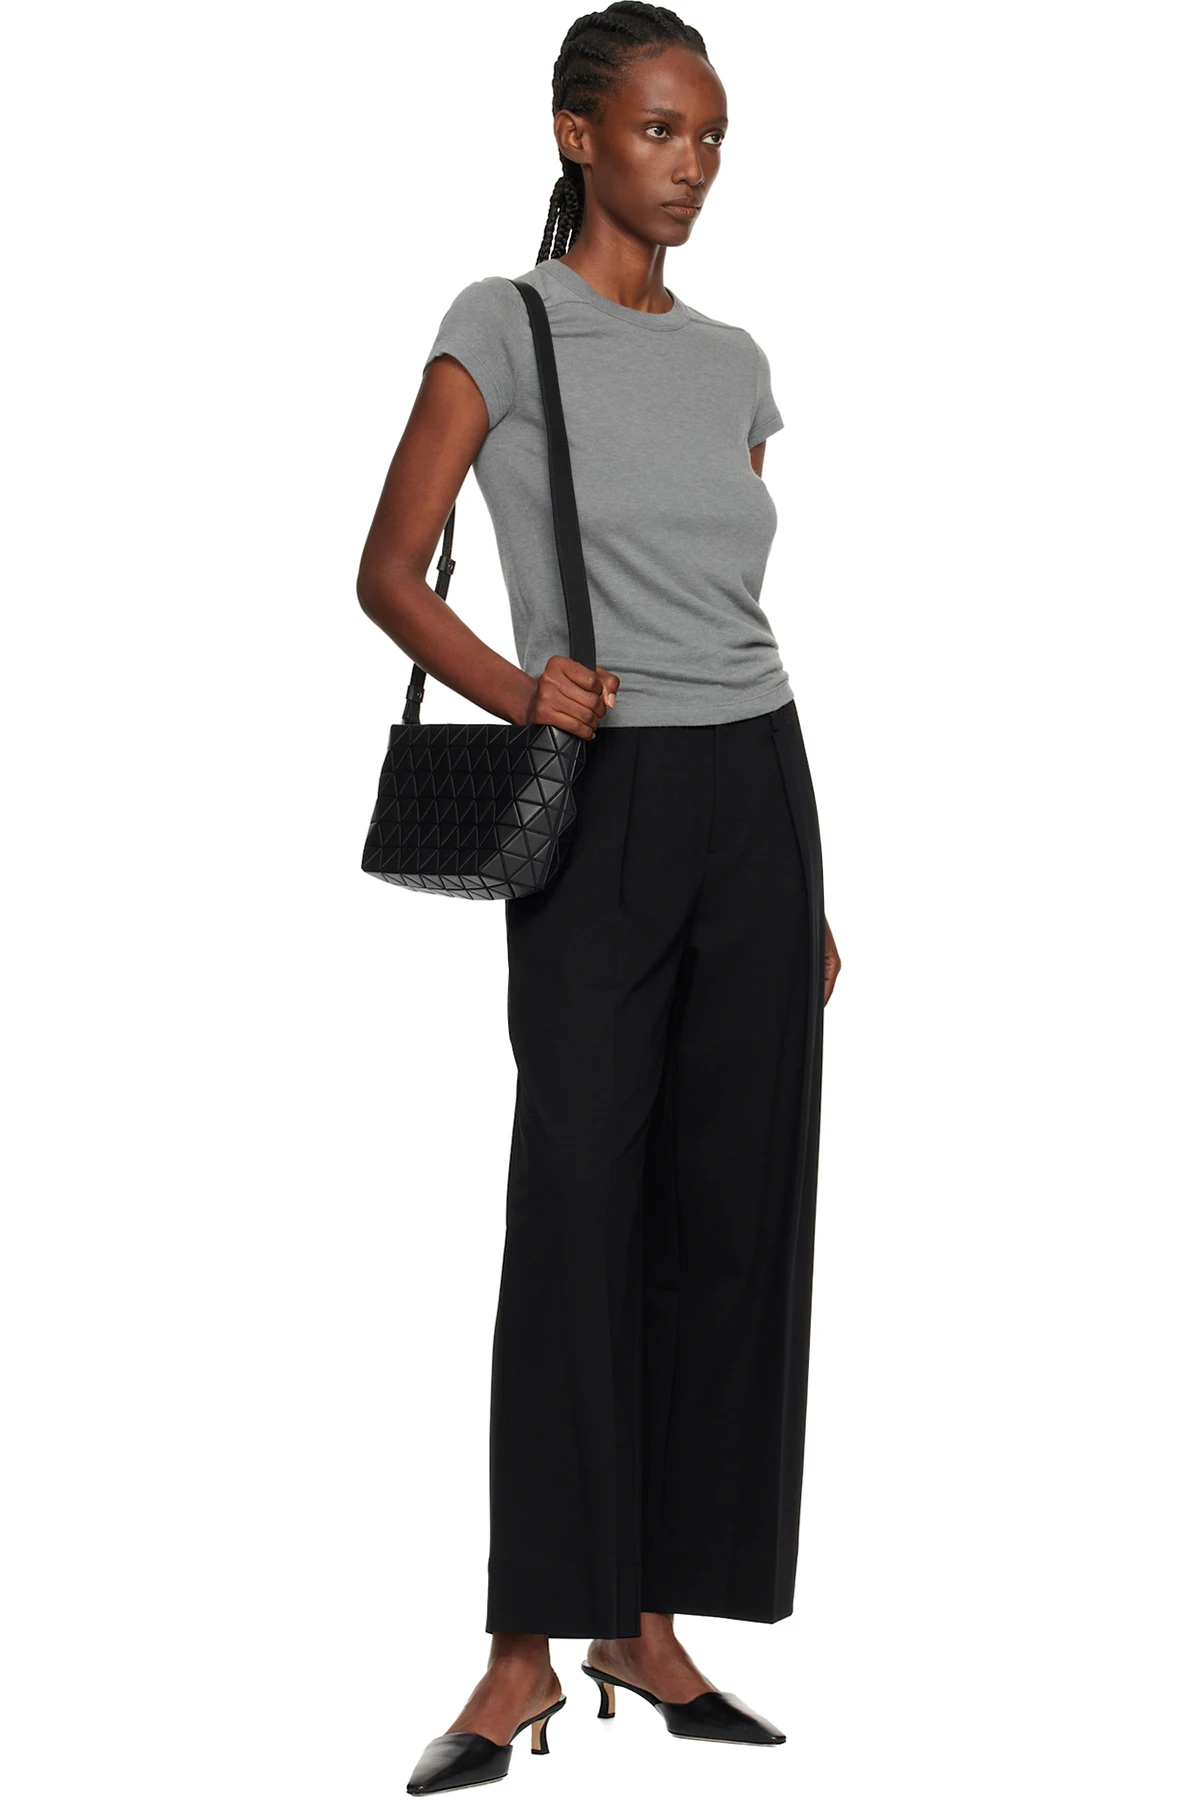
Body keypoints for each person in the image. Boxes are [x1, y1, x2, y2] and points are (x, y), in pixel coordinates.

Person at [356, 5, 841, 1791]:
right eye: (658, 129)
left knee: (733, 1219)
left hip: (757, 793)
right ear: (577, 135)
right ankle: (518, 1651)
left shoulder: (735, 363)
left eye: (710, 137)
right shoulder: (502, 325)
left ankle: (647, 1623)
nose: (690, 165)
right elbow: (386, 570)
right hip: (604, 795)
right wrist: (522, 690)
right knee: (573, 1211)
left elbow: (738, 618)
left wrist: (808, 884)